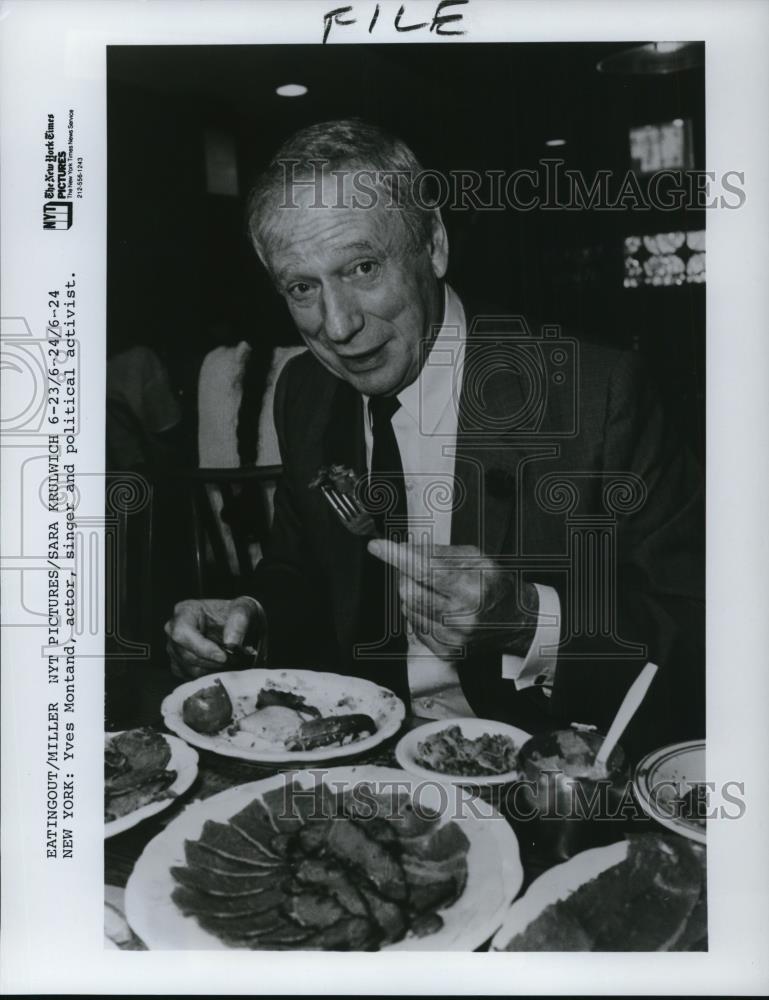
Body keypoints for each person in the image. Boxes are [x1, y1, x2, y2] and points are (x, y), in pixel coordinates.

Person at [165, 119, 704, 759]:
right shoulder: (304, 390)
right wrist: (248, 615)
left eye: (363, 267)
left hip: (541, 771)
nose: (337, 326)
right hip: (358, 757)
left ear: (435, 246)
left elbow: (697, 632)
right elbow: (302, 567)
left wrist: (529, 619)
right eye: (303, 288)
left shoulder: (598, 394)